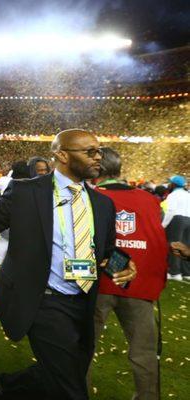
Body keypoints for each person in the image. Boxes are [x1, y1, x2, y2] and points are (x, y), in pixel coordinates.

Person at [0, 129, 137, 400]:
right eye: (89, 151)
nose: (98, 157)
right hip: (44, 301)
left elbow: (106, 250)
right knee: (71, 390)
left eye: (99, 151)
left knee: (69, 370)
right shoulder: (26, 192)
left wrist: (121, 266)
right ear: (62, 155)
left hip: (83, 302)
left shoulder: (102, 204)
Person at [91, 147, 168, 400]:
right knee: (144, 353)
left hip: (98, 285)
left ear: (97, 169)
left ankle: (74, 394)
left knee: (83, 348)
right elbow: (155, 240)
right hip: (139, 285)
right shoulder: (149, 199)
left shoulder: (91, 197)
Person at [0, 161, 30, 307]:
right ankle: (5, 298)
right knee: (16, 267)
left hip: (6, 232)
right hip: (19, 234)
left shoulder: (5, 181)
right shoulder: (30, 186)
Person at [162, 175, 190, 280]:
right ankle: (187, 273)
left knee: (174, 245)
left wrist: (163, 225)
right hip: (189, 219)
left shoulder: (173, 195)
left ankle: (174, 272)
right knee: (186, 246)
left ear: (174, 184)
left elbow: (170, 211)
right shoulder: (188, 194)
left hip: (177, 220)